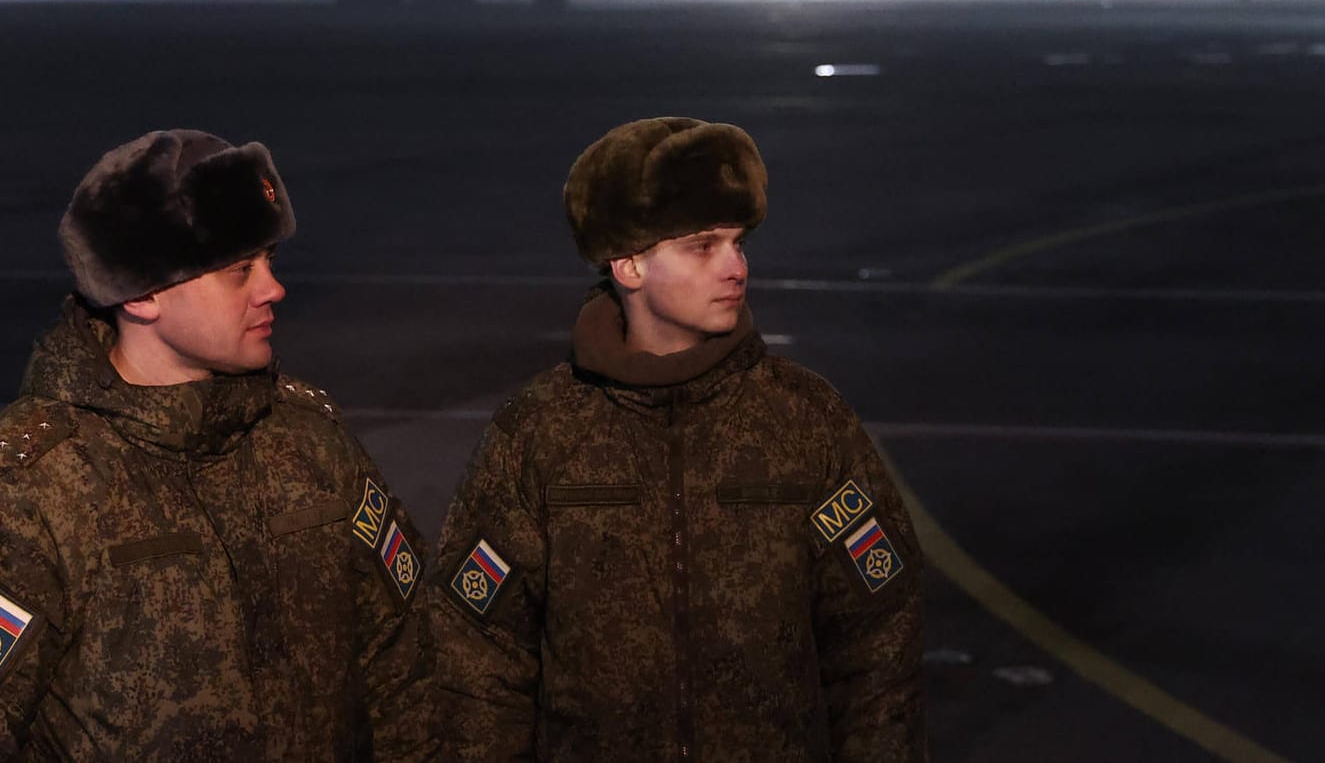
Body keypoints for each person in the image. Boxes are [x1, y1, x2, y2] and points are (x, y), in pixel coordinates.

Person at [432, 116, 926, 760]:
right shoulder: (542, 432)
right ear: (629, 263)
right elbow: (477, 653)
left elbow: (879, 638)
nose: (735, 267)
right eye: (703, 245)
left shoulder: (805, 421)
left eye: (738, 242)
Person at [0, 129, 437, 759]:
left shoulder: (307, 439)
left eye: (270, 261)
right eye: (240, 271)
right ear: (144, 293)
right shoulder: (37, 487)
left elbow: (411, 664)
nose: (273, 289)